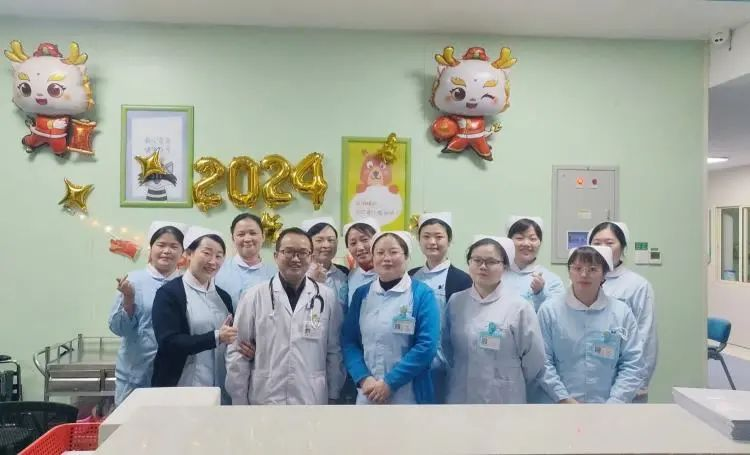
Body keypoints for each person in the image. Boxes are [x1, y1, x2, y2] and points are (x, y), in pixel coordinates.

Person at [226, 227, 345, 405]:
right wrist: (239, 400)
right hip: (265, 396)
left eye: (302, 253)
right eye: (288, 252)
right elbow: (238, 351)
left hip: (311, 396)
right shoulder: (254, 296)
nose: (295, 259)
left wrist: (334, 393)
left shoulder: (327, 297)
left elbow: (334, 351)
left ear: (311, 257)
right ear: (276, 256)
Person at [151, 226, 251, 403]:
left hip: (220, 383)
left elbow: (230, 338)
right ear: (189, 254)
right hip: (181, 385)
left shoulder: (223, 297)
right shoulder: (170, 294)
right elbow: (168, 342)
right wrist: (216, 337)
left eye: (219, 256)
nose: (213, 261)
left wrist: (246, 348)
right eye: (206, 253)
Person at [341, 231, 440, 405]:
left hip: (409, 394)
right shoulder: (362, 294)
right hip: (368, 392)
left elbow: (426, 345)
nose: (386, 258)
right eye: (380, 253)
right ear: (373, 257)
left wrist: (390, 383)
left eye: (393, 252)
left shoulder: (422, 294)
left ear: (406, 256)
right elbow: (349, 341)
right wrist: (363, 378)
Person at [444, 235, 545, 404]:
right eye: (477, 260)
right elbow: (446, 348)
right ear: (469, 263)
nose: (483, 266)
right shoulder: (456, 301)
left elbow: (534, 360)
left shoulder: (519, 307)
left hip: (503, 396)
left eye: (491, 262)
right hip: (461, 392)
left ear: (504, 267)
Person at [538, 245, 645, 404]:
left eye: (593, 269)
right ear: (569, 272)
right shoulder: (549, 311)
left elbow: (633, 363)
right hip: (558, 404)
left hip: (609, 406)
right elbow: (543, 361)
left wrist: (615, 401)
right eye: (577, 268)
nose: (584, 274)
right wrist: (563, 398)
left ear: (604, 275)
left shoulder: (621, 313)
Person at [108, 221, 186, 405]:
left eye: (174, 246)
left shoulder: (186, 284)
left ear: (182, 252)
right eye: (161, 245)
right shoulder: (133, 280)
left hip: (175, 375)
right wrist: (128, 298)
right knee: (130, 421)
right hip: (135, 374)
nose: (167, 251)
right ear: (151, 249)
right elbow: (118, 328)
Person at [589, 221, 656, 403]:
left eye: (609, 243)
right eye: (596, 243)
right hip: (589, 377)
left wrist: (639, 382)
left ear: (623, 246)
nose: (602, 248)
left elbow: (645, 336)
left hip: (626, 376)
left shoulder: (637, 285)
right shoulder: (581, 280)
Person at [408, 212, 471, 403]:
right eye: (426, 236)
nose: (432, 242)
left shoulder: (462, 279)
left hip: (448, 364)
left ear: (449, 240)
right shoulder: (410, 276)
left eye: (439, 236)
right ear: (419, 240)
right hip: (414, 361)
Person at [215, 213, 276, 310]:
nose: (247, 239)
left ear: (263, 236)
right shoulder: (217, 270)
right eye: (241, 234)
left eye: (253, 233)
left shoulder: (275, 274)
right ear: (233, 238)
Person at [502, 216, 564, 312]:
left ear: (540, 242)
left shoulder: (552, 281)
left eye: (532, 239)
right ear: (509, 241)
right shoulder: (497, 275)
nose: (526, 243)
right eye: (519, 238)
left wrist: (540, 294)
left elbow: (557, 314)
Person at [302, 216, 349, 312]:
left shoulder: (345, 273)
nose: (326, 245)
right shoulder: (299, 274)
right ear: (307, 243)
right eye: (319, 240)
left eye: (331, 240)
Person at [344, 217, 379, 304]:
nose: (360, 247)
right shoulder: (351, 275)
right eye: (353, 243)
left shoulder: (388, 275)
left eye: (364, 240)